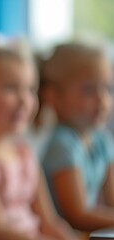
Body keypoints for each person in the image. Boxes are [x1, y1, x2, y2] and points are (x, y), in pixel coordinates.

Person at [0, 37, 75, 239]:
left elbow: (49, 222)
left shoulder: (24, 153)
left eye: (30, 89)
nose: (25, 100)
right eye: (11, 88)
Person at [41, 42, 114, 232]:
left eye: (107, 88)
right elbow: (77, 216)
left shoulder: (101, 140)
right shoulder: (63, 144)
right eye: (89, 90)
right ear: (53, 95)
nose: (102, 99)